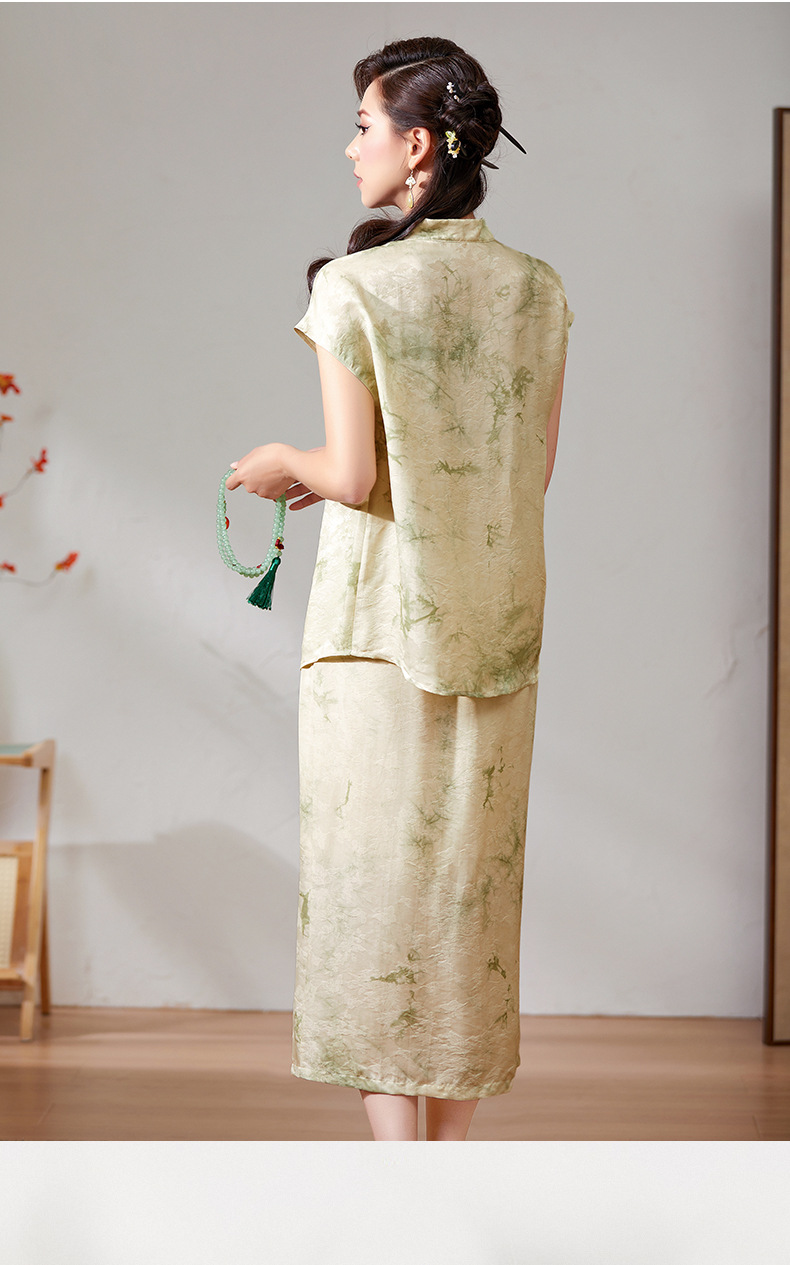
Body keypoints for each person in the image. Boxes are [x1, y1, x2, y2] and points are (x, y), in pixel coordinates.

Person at [224, 35, 573, 1141]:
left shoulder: (355, 286)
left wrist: (280, 462)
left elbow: (350, 474)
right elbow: (529, 472)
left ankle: (397, 1185)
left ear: (418, 146)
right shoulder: (536, 290)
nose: (351, 147)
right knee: (469, 899)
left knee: (373, 900)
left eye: (364, 125)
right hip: (497, 625)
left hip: (373, 634)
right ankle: (447, 1178)